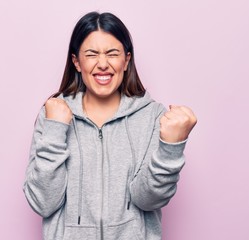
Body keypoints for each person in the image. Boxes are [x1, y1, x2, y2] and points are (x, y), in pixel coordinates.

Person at [23, 11, 197, 240]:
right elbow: (42, 203)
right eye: (91, 54)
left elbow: (148, 200)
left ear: (126, 60)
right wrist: (55, 130)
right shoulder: (53, 115)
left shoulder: (153, 117)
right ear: (76, 61)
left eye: (112, 54)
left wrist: (170, 148)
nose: (102, 64)